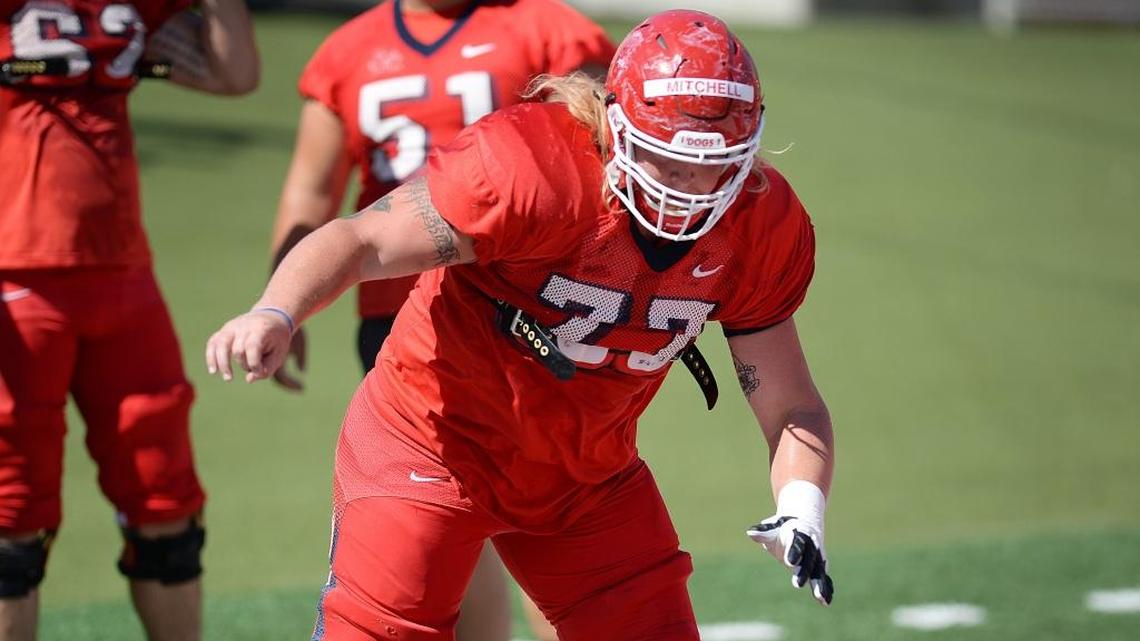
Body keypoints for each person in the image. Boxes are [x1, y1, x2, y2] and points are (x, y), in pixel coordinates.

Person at [207, 9, 834, 640]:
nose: (691, 187)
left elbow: (789, 403)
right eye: (665, 159)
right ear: (614, 127)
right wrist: (277, 310)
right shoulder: (530, 169)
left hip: (586, 471)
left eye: (716, 163)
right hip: (431, 441)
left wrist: (801, 506)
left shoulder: (760, 224)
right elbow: (362, 237)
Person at [267, 1, 613, 638]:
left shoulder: (544, 27)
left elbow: (614, 159)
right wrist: (285, 302)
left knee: (550, 501)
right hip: (403, 323)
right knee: (447, 507)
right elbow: (312, 190)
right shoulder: (349, 52)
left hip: (531, 312)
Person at [0, 2, 258, 640]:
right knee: (11, 524)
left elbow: (235, 74)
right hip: (14, 272)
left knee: (165, 505)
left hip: (121, 273)